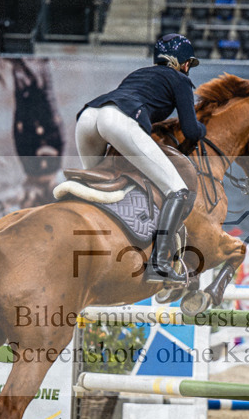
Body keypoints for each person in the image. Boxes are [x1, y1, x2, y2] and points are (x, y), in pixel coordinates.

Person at [75, 33, 207, 285]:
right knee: (177, 190)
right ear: (183, 63)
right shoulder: (180, 79)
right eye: (188, 63)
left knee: (96, 187)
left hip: (88, 117)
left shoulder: (139, 73)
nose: (188, 67)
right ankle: (159, 264)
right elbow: (190, 130)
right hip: (118, 120)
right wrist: (204, 129)